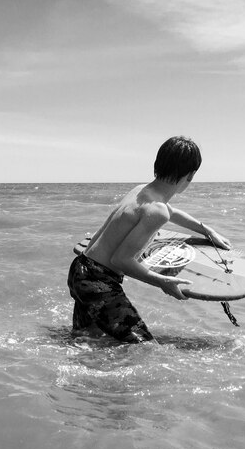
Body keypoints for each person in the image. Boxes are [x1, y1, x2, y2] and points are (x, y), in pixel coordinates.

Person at [68, 136, 231, 343]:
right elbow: (121, 260)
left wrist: (206, 230)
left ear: (158, 164)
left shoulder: (141, 191)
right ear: (189, 176)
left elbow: (171, 212)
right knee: (143, 347)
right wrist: (162, 282)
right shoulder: (157, 210)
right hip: (98, 282)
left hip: (81, 269)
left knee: (87, 338)